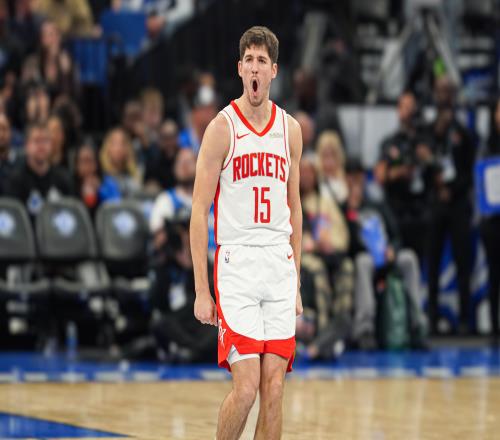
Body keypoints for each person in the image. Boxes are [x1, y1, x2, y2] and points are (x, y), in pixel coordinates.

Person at [190, 26, 303, 439]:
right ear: (240, 69)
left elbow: (295, 207)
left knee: (275, 388)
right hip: (237, 262)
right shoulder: (222, 128)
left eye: (262, 61)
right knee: (247, 387)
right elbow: (198, 210)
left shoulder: (290, 130)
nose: (255, 68)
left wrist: (296, 280)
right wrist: (202, 290)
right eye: (249, 61)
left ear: (274, 71)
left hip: (278, 262)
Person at [345, 159, 427, 350]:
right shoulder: (343, 208)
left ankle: (417, 324)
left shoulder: (377, 205)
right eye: (351, 177)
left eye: (358, 177)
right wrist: (351, 212)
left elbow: (396, 235)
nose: (355, 182)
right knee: (362, 262)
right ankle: (364, 330)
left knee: (409, 258)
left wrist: (393, 249)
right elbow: (348, 245)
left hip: (386, 255)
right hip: (365, 257)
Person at [419, 76, 475, 334]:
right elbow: (423, 169)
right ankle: (431, 319)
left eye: (448, 91)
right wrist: (436, 185)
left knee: (463, 262)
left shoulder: (463, 132)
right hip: (435, 205)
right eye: (440, 90)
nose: (444, 95)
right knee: (432, 262)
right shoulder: (429, 132)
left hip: (458, 204)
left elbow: (468, 172)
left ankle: (464, 320)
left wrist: (451, 190)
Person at [374, 92, 430, 261]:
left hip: (420, 211)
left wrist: (426, 158)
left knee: (419, 260)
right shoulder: (390, 142)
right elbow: (380, 176)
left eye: (411, 107)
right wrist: (399, 172)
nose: (408, 111)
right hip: (395, 211)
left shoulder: (425, 140)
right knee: (397, 259)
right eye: (404, 106)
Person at [4, 122, 73, 218]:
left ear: (51, 145)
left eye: (45, 141)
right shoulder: (15, 181)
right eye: (36, 141)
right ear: (27, 145)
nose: (41, 146)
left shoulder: (63, 179)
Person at [480, 98, 500, 345]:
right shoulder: (487, 145)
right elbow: (480, 179)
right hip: (492, 219)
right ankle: (495, 327)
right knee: (494, 274)